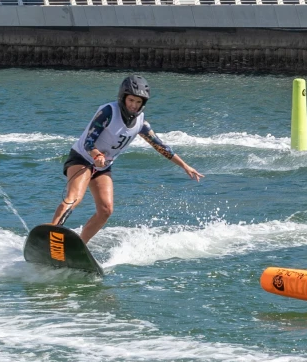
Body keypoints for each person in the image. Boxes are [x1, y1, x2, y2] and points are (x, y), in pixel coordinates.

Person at [53, 75, 203, 242]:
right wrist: (97, 155)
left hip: (102, 167)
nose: (134, 105)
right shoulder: (108, 112)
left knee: (106, 209)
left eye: (138, 102)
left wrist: (185, 166)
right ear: (123, 97)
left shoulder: (141, 123)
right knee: (74, 198)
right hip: (82, 158)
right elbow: (89, 142)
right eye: (131, 100)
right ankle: (52, 232)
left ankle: (79, 246)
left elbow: (161, 147)